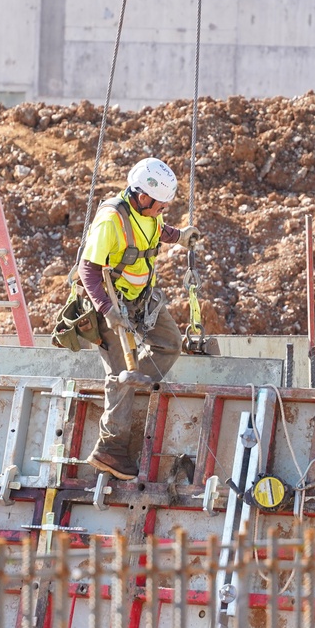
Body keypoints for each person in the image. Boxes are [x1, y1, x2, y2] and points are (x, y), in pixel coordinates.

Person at [77, 157, 199, 480]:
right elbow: (87, 270)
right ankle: (110, 448)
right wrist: (107, 310)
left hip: (141, 301)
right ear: (143, 196)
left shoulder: (149, 214)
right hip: (109, 304)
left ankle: (126, 383)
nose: (163, 210)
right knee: (120, 373)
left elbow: (158, 230)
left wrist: (181, 236)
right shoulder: (111, 220)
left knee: (170, 343)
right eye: (161, 204)